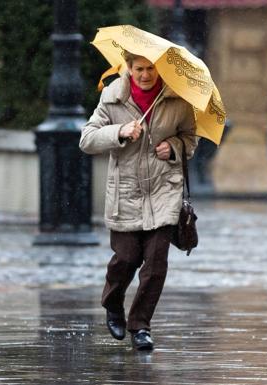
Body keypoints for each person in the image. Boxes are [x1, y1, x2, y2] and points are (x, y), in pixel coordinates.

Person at [79, 51, 197, 350]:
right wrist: (119, 131)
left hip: (163, 190)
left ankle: (140, 325)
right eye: (139, 69)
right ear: (128, 69)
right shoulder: (112, 97)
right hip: (126, 191)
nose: (146, 75)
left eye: (151, 69)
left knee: (156, 264)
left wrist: (173, 147)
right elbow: (87, 139)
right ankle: (113, 303)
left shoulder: (178, 101)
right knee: (126, 258)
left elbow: (190, 140)